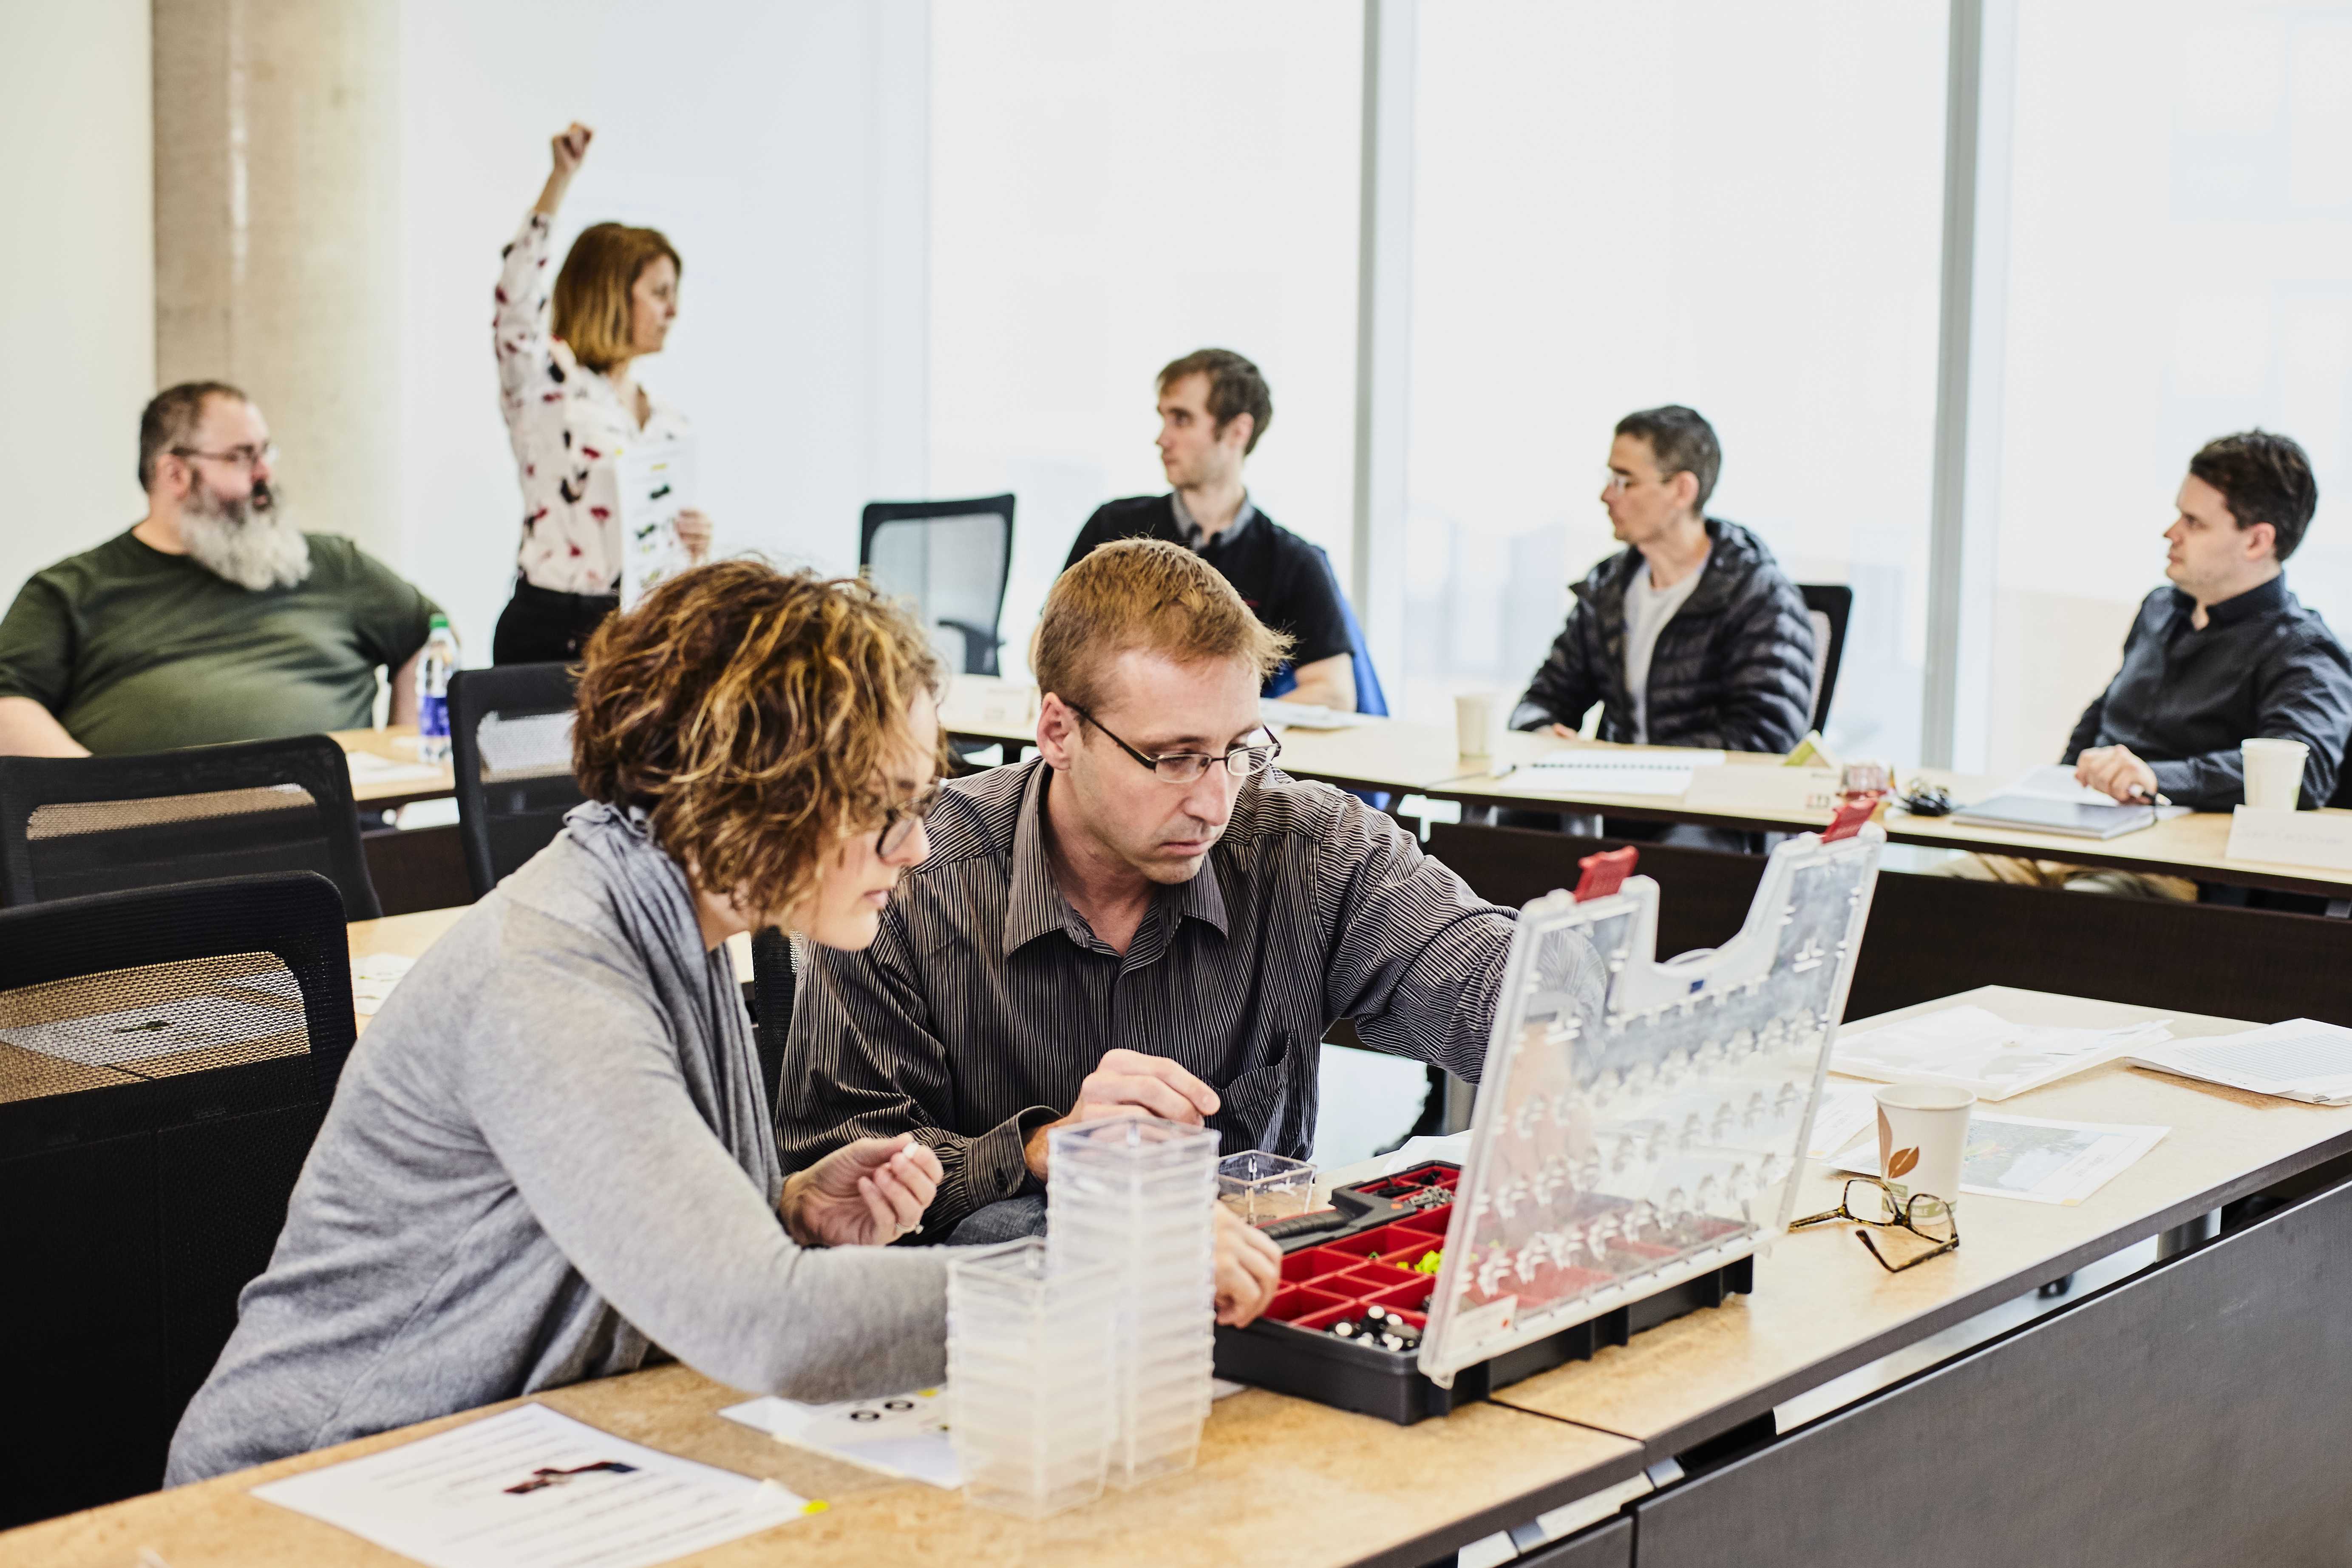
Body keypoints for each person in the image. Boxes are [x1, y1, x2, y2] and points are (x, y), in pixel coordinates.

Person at [165, 560, 1277, 1484]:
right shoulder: (550, 974)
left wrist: (783, 1218)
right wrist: (1117, 1272)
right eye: (886, 807)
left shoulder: (679, 923)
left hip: (501, 1467)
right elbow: (769, 1329)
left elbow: (662, 1259)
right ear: (762, 791)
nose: (919, 849)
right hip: (307, 1494)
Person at [779, 539, 1587, 1244]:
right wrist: (1042, 1149)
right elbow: (831, 1168)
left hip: (1248, 1333)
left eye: (1238, 748)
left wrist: (1547, 1021)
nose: (1213, 801)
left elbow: (1503, 972)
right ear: (1057, 730)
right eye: (1173, 756)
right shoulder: (909, 878)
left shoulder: (1305, 849)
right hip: (988, 1349)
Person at [1944, 431, 2352, 899]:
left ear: (2257, 541)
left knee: (2068, 923)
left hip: (2166, 867)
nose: (2170, 533)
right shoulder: (2160, 608)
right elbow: (2104, 713)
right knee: (1919, 900)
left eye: (2193, 522)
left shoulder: (2302, 650)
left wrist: (2159, 778)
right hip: (2069, 841)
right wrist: (2052, 792)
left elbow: (2303, 770)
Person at [0, 382, 442, 757]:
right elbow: (7, 701)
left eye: (265, 452)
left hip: (340, 833)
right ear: (175, 473)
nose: (264, 473)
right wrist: (99, 797)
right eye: (241, 456)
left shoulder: (331, 565)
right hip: (153, 847)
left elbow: (432, 634)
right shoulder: (70, 590)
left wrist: (400, 757)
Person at [491, 122, 712, 665]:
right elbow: (514, 302)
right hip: (555, 634)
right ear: (613, 293)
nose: (673, 311)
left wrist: (694, 548)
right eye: (660, 293)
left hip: (644, 632)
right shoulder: (548, 386)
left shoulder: (664, 419)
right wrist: (559, 179)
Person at [1063, 349, 1359, 710]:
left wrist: (1219, 724)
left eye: (1182, 420)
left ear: (1237, 431)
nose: (1163, 438)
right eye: (1164, 418)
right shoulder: (1114, 527)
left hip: (1230, 759)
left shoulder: (1293, 560)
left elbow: (1334, 692)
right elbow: (1046, 643)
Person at [1511, 406, 1816, 755]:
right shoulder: (1607, 587)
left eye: (1625, 481)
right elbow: (1540, 701)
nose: (1607, 496)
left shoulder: (1759, 597)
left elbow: (1764, 739)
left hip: (1699, 806)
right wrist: (1541, 730)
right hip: (1613, 801)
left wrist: (1628, 765)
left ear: (1682, 491)